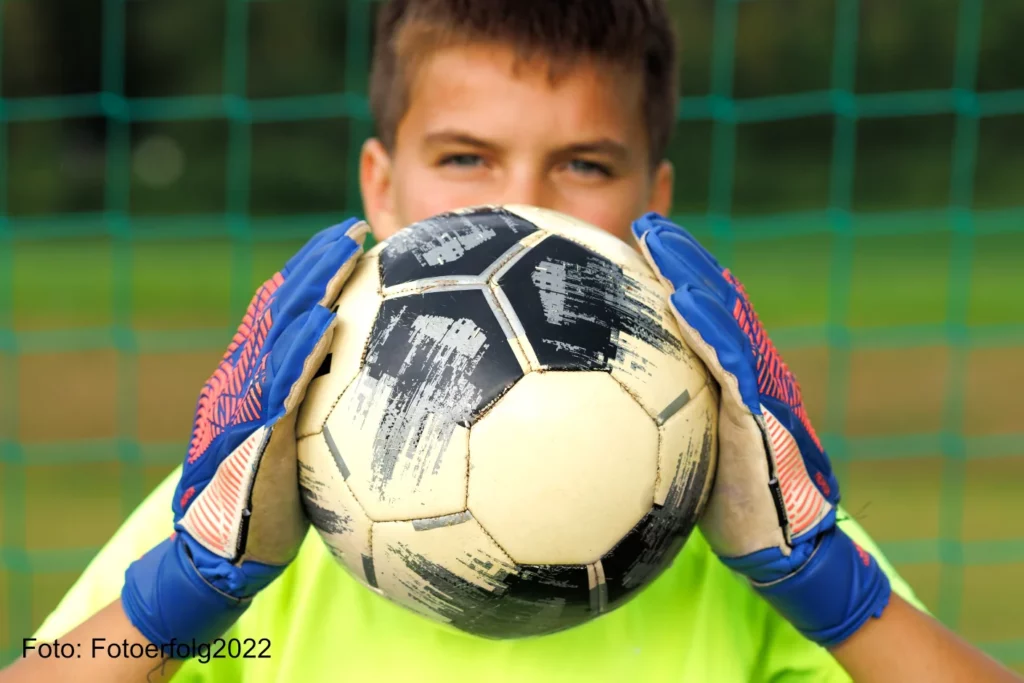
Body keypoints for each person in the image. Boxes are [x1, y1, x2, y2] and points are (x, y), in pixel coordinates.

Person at [2, 1, 1020, 681]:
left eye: (582, 163)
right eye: (464, 156)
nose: (522, 209)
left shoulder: (731, 490)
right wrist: (187, 585)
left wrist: (835, 592)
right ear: (379, 185)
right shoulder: (262, 486)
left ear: (655, 206)